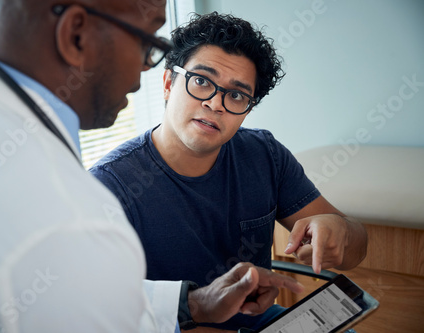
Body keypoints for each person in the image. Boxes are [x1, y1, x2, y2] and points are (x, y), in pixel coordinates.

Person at [0, 2, 304, 333]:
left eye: (235, 95)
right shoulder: (77, 213)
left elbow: (73, 295)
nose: (144, 71)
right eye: (147, 40)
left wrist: (195, 303)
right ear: (76, 35)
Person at [90, 12, 368, 331]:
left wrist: (340, 232)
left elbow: (356, 248)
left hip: (258, 323)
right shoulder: (108, 186)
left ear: (247, 109)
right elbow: (98, 312)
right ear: (168, 83)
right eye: (202, 81)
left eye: (236, 95)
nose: (215, 103)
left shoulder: (265, 155)